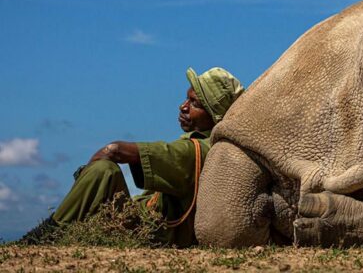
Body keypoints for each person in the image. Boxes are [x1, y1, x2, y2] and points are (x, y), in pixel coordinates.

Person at [20, 67, 244, 247]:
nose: (183, 106)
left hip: (150, 233)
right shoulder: (211, 147)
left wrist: (97, 167)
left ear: (214, 116)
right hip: (143, 223)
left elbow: (116, 150)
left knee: (103, 171)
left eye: (194, 103)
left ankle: (43, 237)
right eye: (186, 99)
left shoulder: (198, 150)